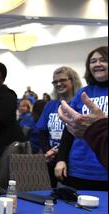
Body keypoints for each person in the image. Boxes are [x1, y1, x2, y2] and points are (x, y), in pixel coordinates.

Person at [54, 46, 108, 190]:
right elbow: (70, 129)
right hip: (79, 167)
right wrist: (61, 159)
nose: (97, 64)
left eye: (103, 60)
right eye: (93, 61)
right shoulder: (83, 93)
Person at [35, 66, 82, 186]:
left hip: (72, 159)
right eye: (55, 82)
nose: (58, 84)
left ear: (72, 81)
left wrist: (61, 152)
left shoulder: (80, 104)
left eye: (62, 80)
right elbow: (42, 132)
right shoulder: (50, 105)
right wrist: (48, 150)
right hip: (51, 158)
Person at [58, 94, 107, 169]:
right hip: (79, 166)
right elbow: (68, 130)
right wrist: (61, 159)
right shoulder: (81, 93)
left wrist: (96, 128)